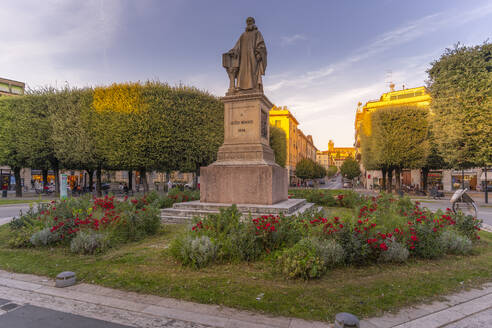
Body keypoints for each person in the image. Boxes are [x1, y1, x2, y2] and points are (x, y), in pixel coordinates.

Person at [226, 17, 267, 92]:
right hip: (243, 58)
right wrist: (233, 50)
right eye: (247, 21)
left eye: (250, 21)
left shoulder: (257, 33)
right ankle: (241, 87)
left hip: (253, 57)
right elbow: (237, 46)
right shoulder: (243, 35)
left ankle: (254, 87)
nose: (249, 22)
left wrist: (259, 53)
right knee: (242, 71)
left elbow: (261, 45)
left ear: (253, 22)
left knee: (253, 71)